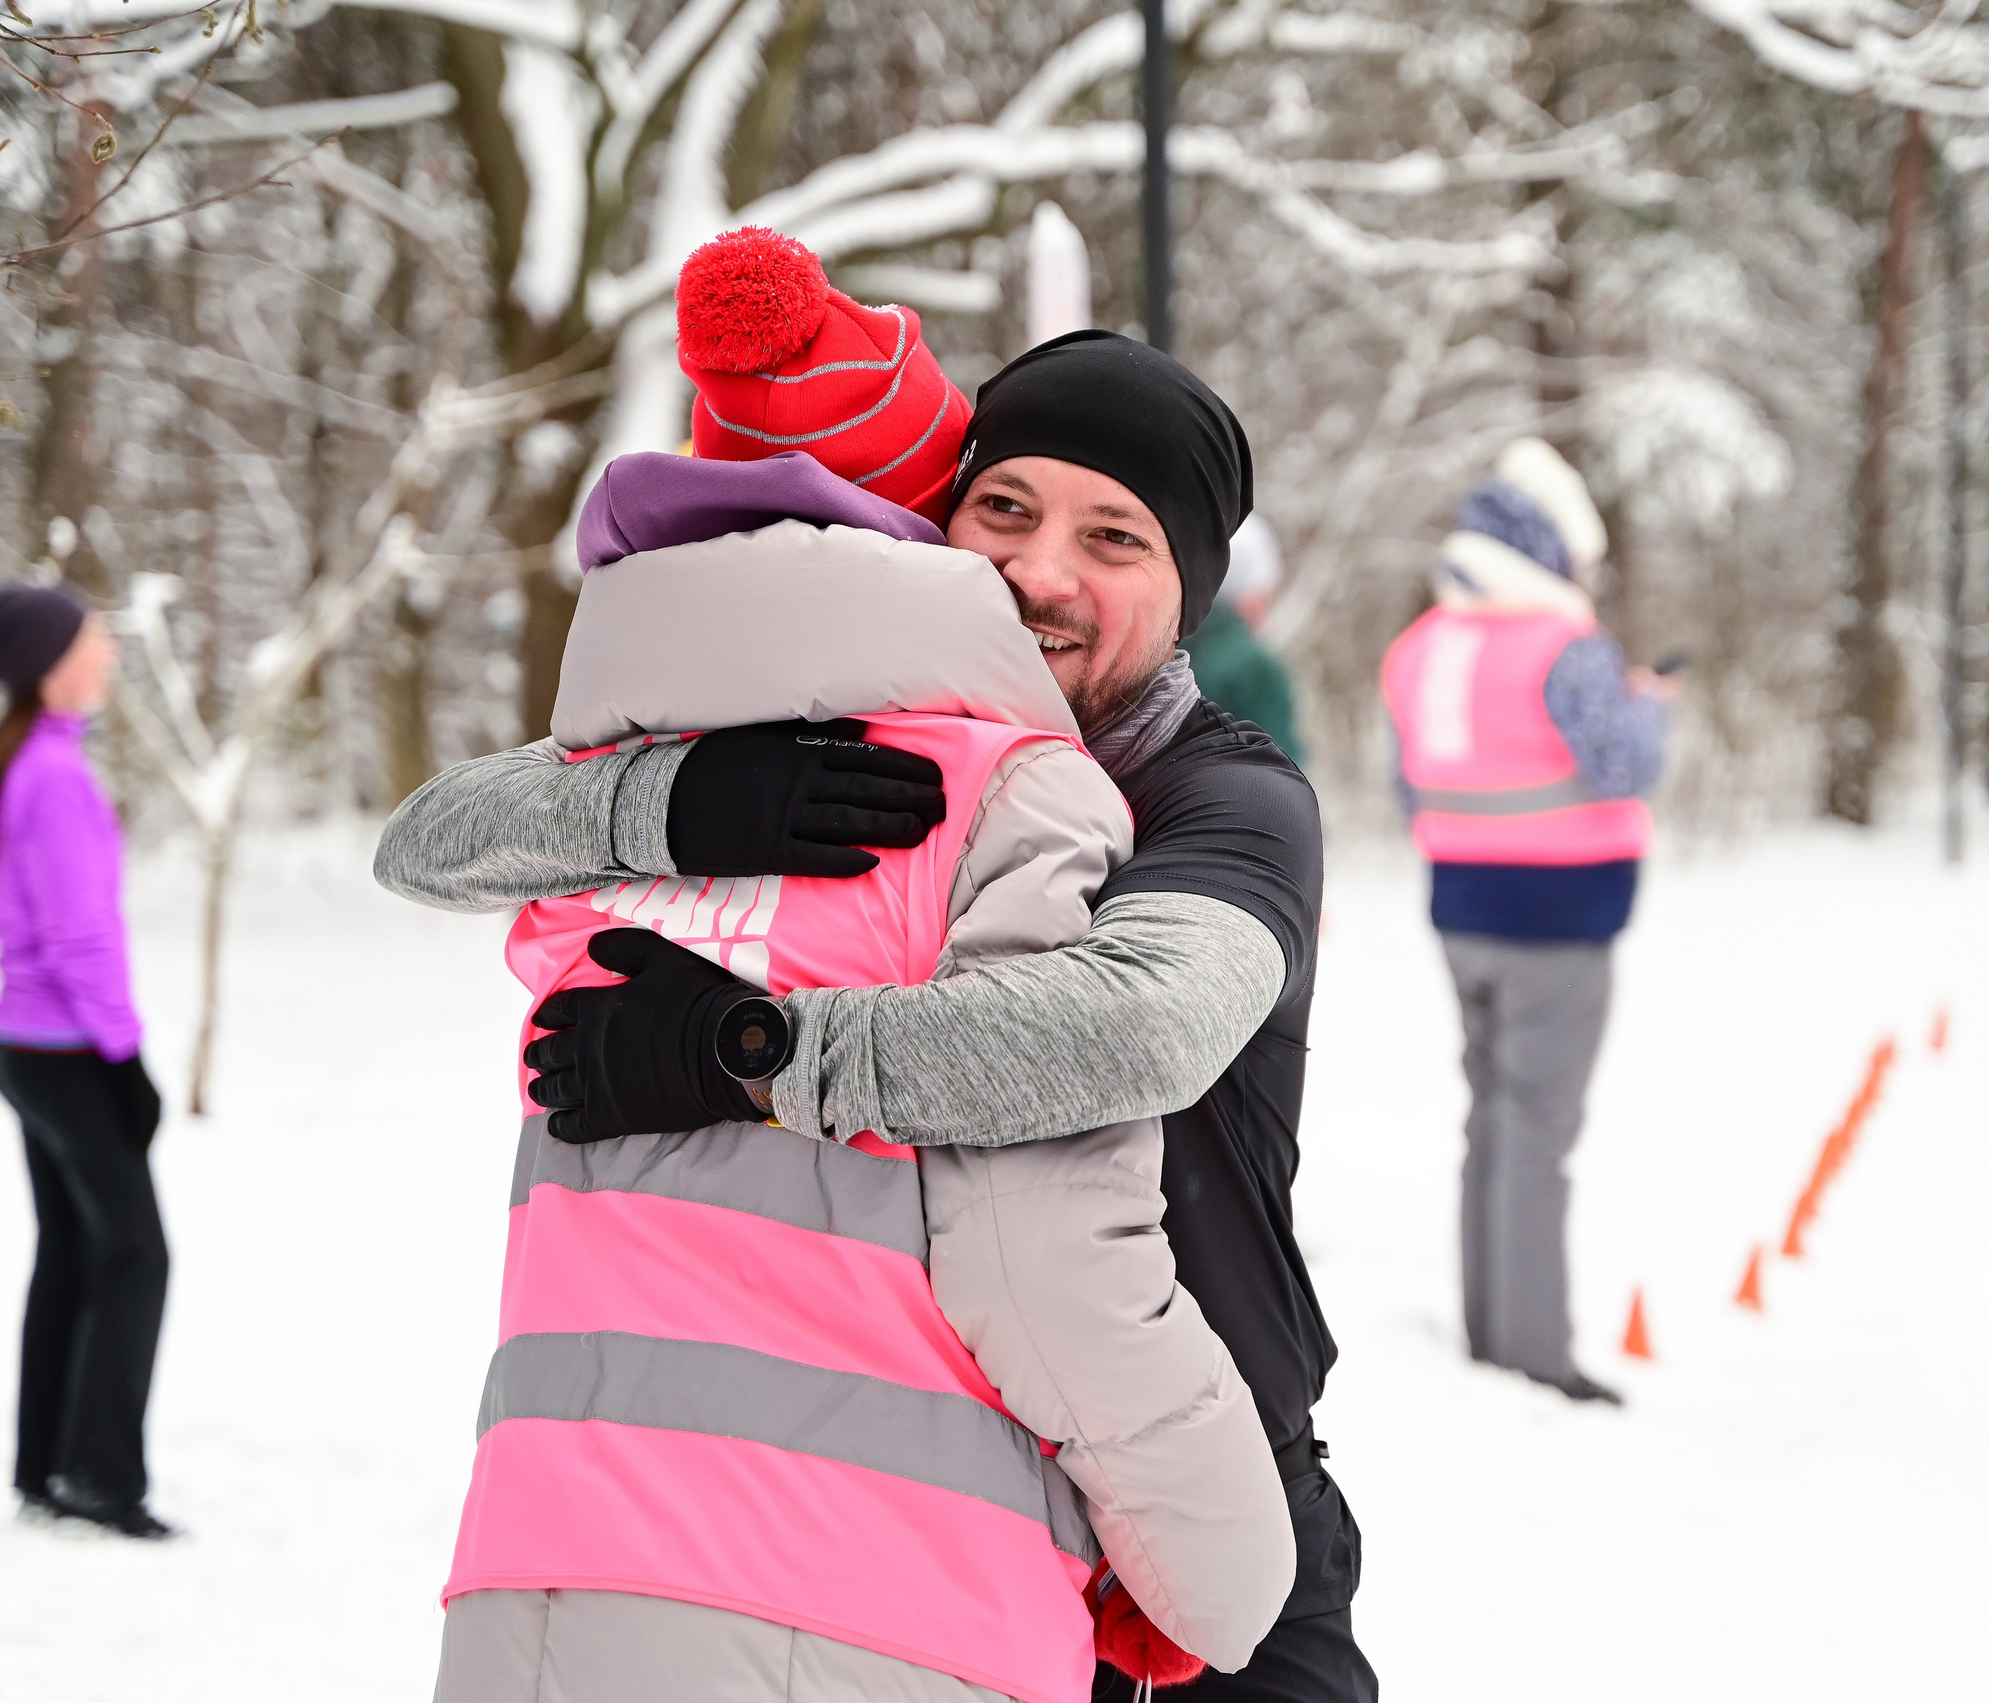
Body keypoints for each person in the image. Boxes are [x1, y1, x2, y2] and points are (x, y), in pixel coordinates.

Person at [380, 328, 1373, 1700]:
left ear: (1187, 590)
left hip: (1207, 1488)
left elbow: (1134, 1023)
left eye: (1116, 537)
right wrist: (661, 804)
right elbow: (429, 841)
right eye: (1006, 509)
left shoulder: (1226, 798)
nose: (1041, 569)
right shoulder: (862, 750)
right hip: (952, 1503)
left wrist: (753, 1052)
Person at [1378, 440, 1673, 1407]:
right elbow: (1622, 765)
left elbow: (1405, 783)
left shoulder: (1419, 647)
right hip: (1560, 916)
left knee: (1492, 1122)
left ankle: (1489, 1335)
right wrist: (1653, 708)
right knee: (1538, 1130)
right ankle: (1535, 1357)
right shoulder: (1565, 648)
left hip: (1461, 910)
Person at [0, 584, 173, 1541]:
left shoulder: (28, 766)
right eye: (93, 640)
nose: (109, 655)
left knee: (76, 1251)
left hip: (30, 1049)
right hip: (66, 1052)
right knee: (134, 1252)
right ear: (50, 664)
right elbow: (83, 939)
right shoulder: (53, 778)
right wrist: (127, 1062)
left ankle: (48, 1468)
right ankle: (99, 1478)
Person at [1180, 514, 1302, 763]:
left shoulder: (1164, 646)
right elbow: (1284, 769)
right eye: (1264, 594)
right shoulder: (1253, 666)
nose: (1266, 608)